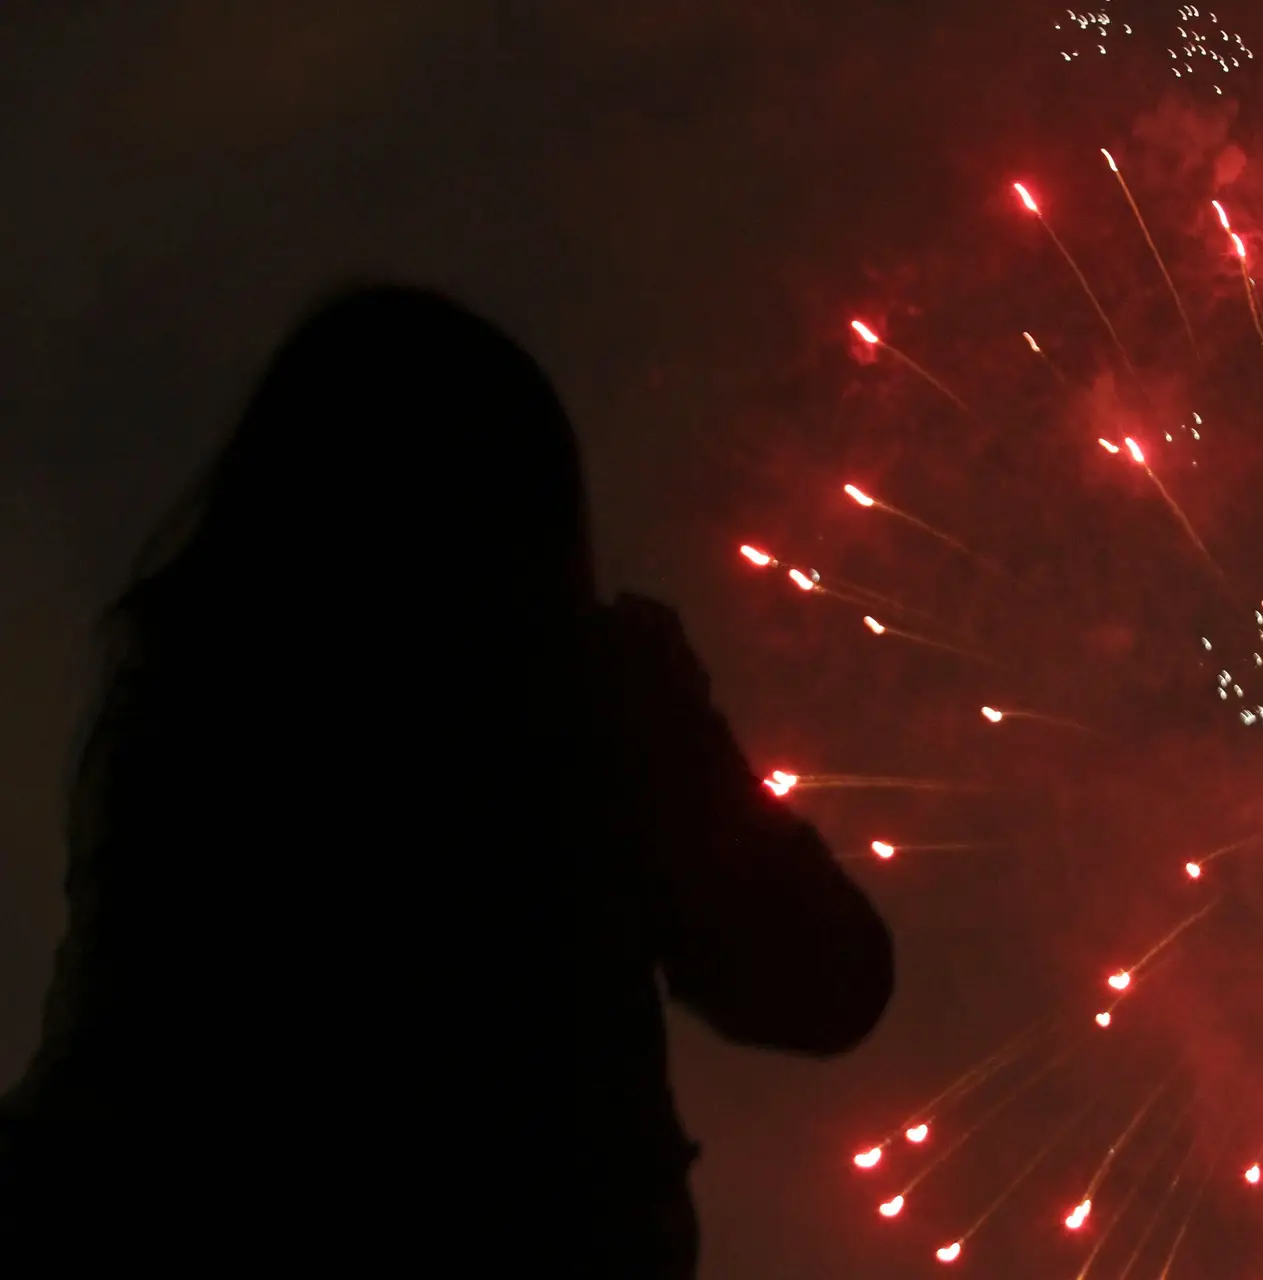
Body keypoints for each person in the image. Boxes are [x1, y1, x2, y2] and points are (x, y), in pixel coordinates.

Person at [0, 286, 893, 1273]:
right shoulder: (578, 707)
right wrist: (679, 727)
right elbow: (829, 980)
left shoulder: (187, 708)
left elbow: (113, 1071)